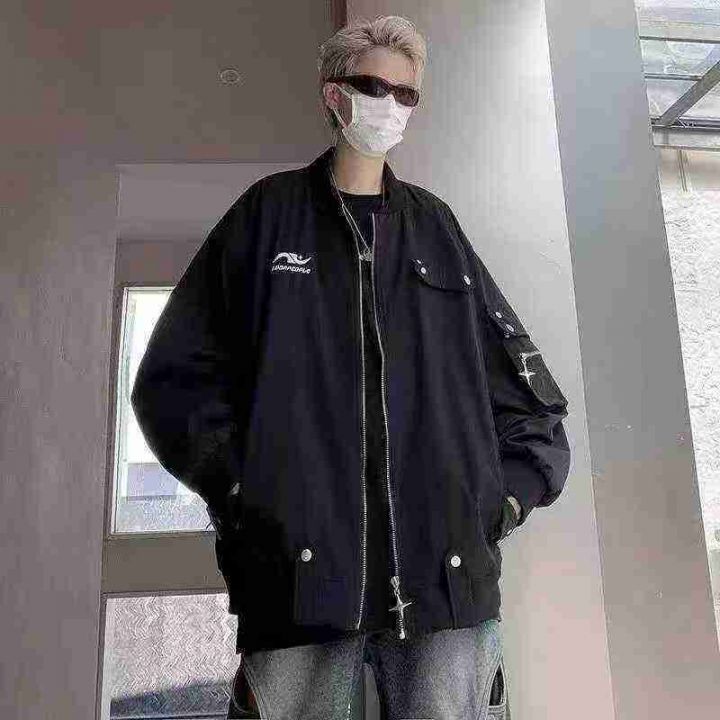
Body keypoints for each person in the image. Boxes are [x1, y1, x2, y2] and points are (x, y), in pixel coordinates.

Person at [130, 14, 571, 720]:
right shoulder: (268, 216)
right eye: (373, 87)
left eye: (407, 94)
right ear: (334, 95)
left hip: (445, 580)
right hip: (298, 577)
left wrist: (502, 501)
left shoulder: (436, 230)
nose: (390, 106)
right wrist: (249, 491)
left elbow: (530, 396)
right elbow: (173, 381)